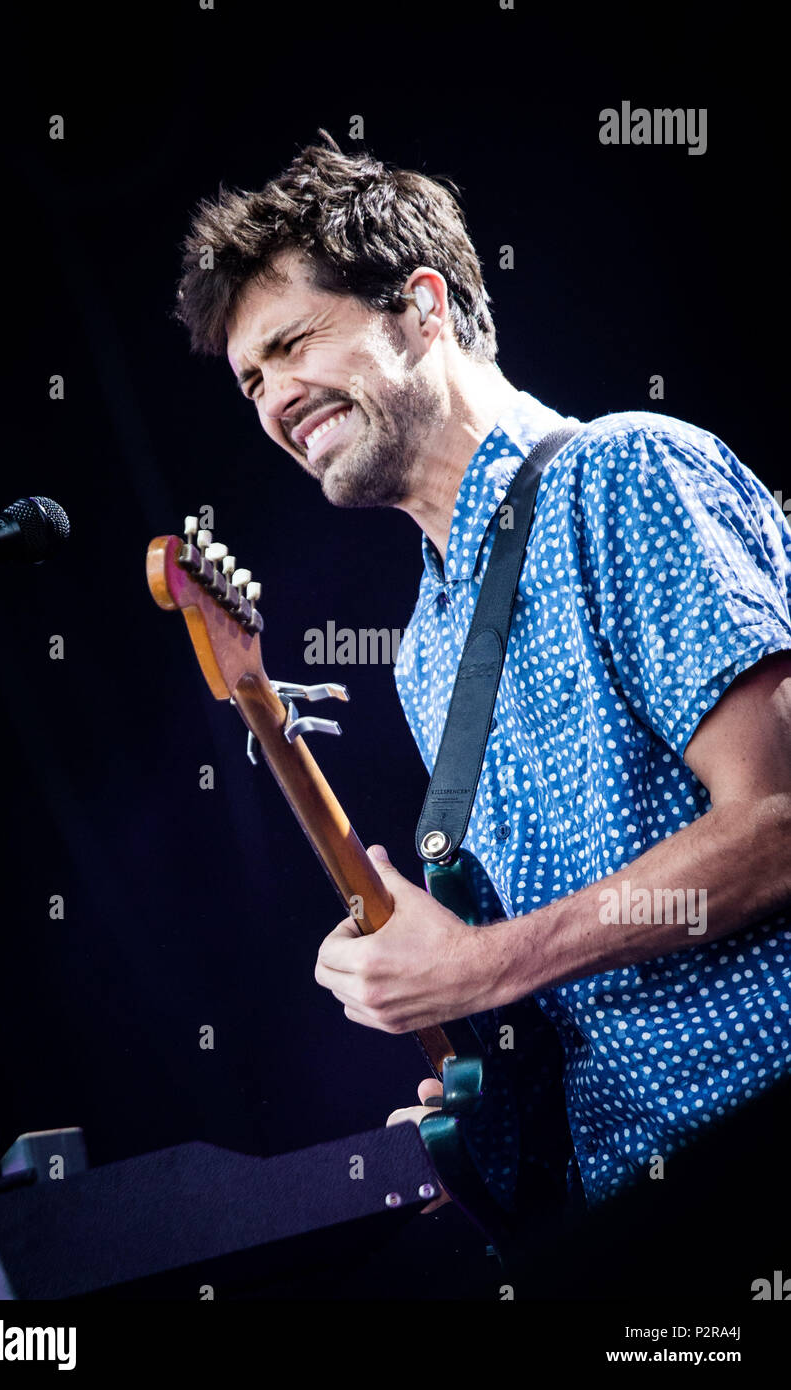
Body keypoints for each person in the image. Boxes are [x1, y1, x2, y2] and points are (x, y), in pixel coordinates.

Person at [173, 130, 791, 1222]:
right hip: (623, 1198)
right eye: (251, 381)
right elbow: (563, 985)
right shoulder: (423, 652)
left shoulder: (622, 472)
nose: (272, 401)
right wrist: (490, 1108)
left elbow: (778, 818)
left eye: (294, 344)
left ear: (422, 306)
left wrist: (482, 965)